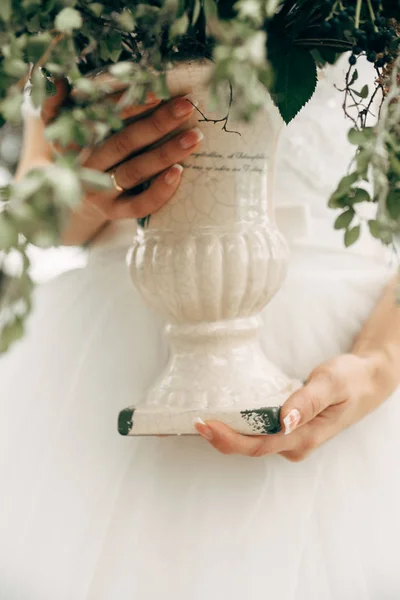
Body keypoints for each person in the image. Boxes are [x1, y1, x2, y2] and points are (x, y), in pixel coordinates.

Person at [0, 58, 399, 600]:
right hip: (112, 344)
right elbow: (42, 191)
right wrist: (79, 185)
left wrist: (381, 360)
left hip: (335, 338)